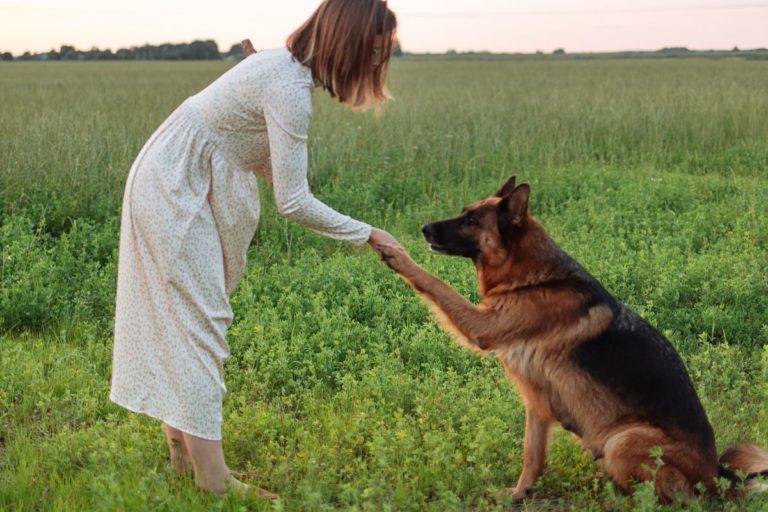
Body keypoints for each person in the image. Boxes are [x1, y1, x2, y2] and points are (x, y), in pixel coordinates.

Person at [110, 0, 399, 497]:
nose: (374, 67)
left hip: (176, 175)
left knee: (189, 321)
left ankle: (184, 460)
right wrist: (366, 232)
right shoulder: (288, 87)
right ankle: (214, 481)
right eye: (371, 54)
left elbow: (256, 156)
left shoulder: (279, 70)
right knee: (201, 325)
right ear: (346, 44)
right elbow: (292, 200)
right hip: (174, 185)